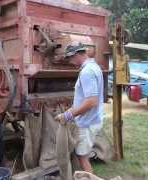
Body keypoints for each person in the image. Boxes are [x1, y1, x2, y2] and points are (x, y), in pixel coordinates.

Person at [56, 42, 104, 173]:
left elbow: (91, 101)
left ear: (77, 54)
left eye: (71, 58)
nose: (71, 61)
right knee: (83, 154)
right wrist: (72, 109)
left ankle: (89, 177)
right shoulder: (94, 67)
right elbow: (88, 99)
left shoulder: (86, 72)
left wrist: (68, 115)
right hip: (92, 119)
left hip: (87, 122)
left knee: (82, 157)